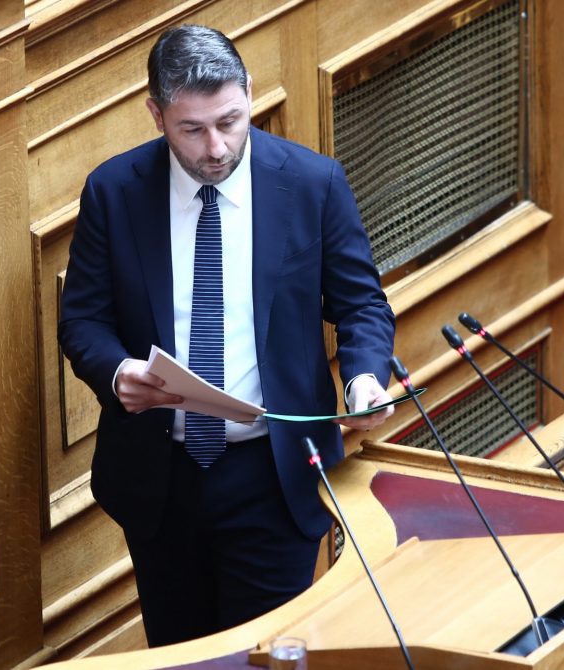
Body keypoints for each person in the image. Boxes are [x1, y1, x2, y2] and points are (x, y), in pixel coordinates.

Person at [58, 24, 395, 647]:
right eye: (192, 129)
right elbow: (82, 320)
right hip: (160, 481)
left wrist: (365, 377)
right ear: (156, 114)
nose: (216, 147)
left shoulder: (313, 183)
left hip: (274, 474)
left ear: (248, 94)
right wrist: (117, 374)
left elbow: (360, 304)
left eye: (230, 121)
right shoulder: (114, 192)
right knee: (181, 655)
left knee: (265, 656)